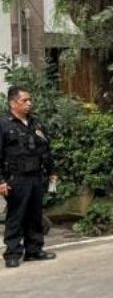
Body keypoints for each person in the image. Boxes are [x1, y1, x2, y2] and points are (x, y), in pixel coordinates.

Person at [1, 85, 57, 269]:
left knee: (35, 214)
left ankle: (34, 250)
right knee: (16, 216)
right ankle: (12, 253)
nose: (29, 104)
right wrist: (1, 181)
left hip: (35, 177)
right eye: (24, 100)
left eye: (29, 100)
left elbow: (45, 150)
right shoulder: (4, 125)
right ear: (12, 103)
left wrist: (52, 172)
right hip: (16, 178)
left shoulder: (35, 123)